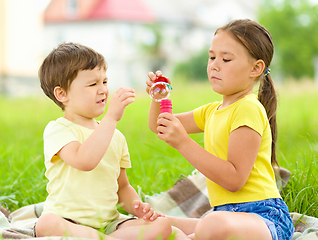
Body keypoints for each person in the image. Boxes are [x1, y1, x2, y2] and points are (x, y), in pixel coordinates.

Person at [146, 19, 295, 240]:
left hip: (264, 216)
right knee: (156, 222)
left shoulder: (248, 108)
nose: (214, 65)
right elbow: (160, 124)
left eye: (225, 59)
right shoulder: (212, 111)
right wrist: (158, 98)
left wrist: (183, 143)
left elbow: (234, 180)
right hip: (224, 214)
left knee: (211, 225)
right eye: (212, 57)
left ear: (256, 68)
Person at [35, 42, 185, 240]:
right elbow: (84, 160)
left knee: (162, 225)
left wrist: (137, 207)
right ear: (62, 94)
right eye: (92, 84)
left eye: (104, 82)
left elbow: (122, 187)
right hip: (68, 221)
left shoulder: (116, 136)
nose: (103, 90)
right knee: (47, 223)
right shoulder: (58, 130)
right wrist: (111, 118)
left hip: (109, 224)